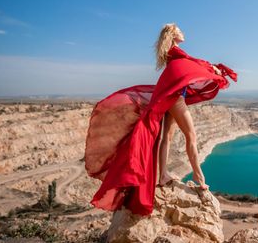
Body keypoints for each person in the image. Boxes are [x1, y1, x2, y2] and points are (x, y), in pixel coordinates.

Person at [84, 23, 237, 216]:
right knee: (191, 136)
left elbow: (190, 66)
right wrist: (213, 68)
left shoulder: (172, 53)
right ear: (172, 34)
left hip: (170, 98)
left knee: (167, 138)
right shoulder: (176, 51)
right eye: (180, 30)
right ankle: (200, 178)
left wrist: (212, 68)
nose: (183, 32)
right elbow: (195, 63)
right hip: (175, 99)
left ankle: (163, 175)